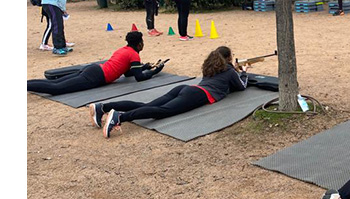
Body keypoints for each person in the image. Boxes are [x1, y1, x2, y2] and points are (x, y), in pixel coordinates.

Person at [94, 46, 249, 138]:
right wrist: (244, 72)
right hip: (199, 94)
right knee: (162, 112)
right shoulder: (229, 70)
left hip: (186, 88)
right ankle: (120, 117)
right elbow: (241, 86)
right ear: (228, 58)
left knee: (147, 105)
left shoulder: (211, 67)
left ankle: (104, 107)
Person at [27, 31, 163, 96]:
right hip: (95, 76)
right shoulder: (134, 54)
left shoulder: (124, 50)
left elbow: (128, 73)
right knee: (56, 89)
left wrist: (144, 67)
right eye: (142, 43)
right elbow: (139, 77)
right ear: (139, 44)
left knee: (55, 83)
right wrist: (154, 72)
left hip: (93, 70)